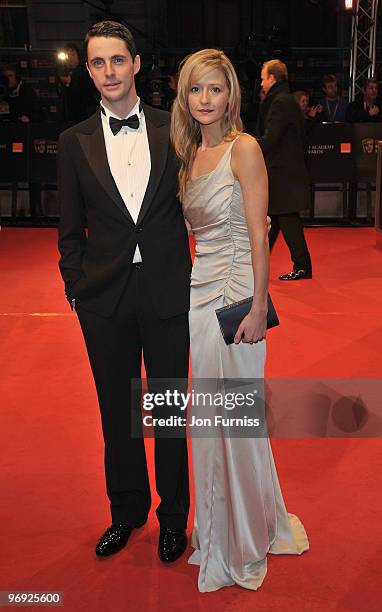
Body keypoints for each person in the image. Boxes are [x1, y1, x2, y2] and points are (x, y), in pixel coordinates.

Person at [171, 48, 309, 593]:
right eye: (195, 90)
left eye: (216, 89)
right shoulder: (186, 155)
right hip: (196, 299)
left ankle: (245, 538)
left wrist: (257, 306)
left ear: (232, 94)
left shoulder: (244, 149)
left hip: (234, 301)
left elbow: (258, 234)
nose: (206, 100)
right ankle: (218, 530)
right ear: (185, 97)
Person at [57, 21, 192, 564]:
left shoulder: (174, 129)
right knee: (117, 413)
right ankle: (127, 510)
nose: (109, 72)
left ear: (137, 63)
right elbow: (68, 228)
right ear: (88, 71)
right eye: (97, 63)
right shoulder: (73, 142)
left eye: (117, 60)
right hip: (104, 298)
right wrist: (77, 289)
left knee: (167, 412)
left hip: (165, 293)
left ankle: (173, 517)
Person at [257, 60, 312, 280]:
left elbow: (271, 138)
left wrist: (248, 146)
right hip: (284, 172)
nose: (261, 83)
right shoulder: (285, 100)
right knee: (276, 221)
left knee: (286, 220)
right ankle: (260, 265)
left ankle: (302, 266)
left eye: (263, 78)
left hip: (283, 174)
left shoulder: (280, 102)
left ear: (272, 78)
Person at [60, 43, 99, 122]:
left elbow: (86, 93)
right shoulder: (63, 71)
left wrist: (70, 83)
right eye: (67, 55)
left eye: (73, 55)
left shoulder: (85, 71)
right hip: (69, 116)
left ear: (78, 55)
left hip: (84, 115)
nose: (70, 58)